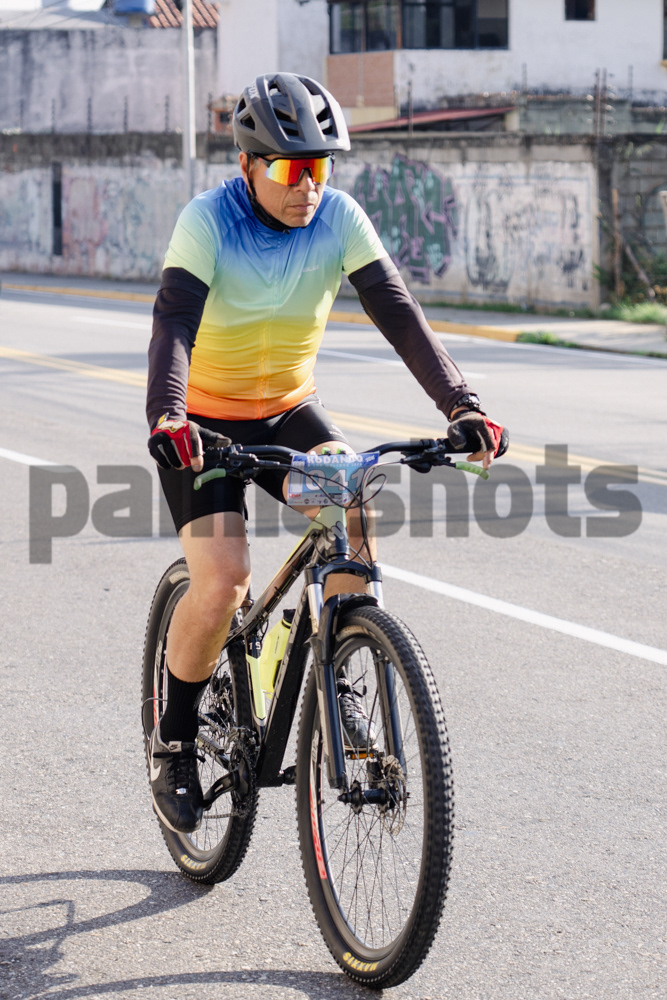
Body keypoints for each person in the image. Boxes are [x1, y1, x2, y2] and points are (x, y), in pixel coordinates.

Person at [145, 72, 507, 834]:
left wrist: (461, 405)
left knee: (355, 504)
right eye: (289, 167)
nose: (307, 185)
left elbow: (399, 315)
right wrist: (169, 416)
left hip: (286, 411)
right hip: (202, 425)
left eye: (319, 166)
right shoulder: (206, 222)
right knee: (223, 581)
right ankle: (173, 742)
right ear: (247, 165)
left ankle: (340, 653)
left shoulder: (338, 218)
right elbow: (173, 323)